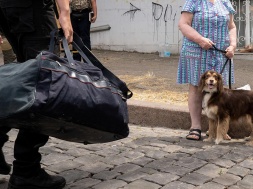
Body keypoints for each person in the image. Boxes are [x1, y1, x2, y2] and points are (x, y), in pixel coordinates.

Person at [0, 0, 73, 188]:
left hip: (7, 7)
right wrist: (64, 11)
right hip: (32, 7)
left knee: (23, 79)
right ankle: (27, 170)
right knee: (43, 85)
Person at [177, 0, 236, 141]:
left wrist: (233, 45)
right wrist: (200, 39)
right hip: (197, 51)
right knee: (197, 87)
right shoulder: (193, 2)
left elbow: (231, 26)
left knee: (221, 91)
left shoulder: (225, 2)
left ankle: (218, 129)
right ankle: (195, 127)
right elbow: (183, 24)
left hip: (221, 53)